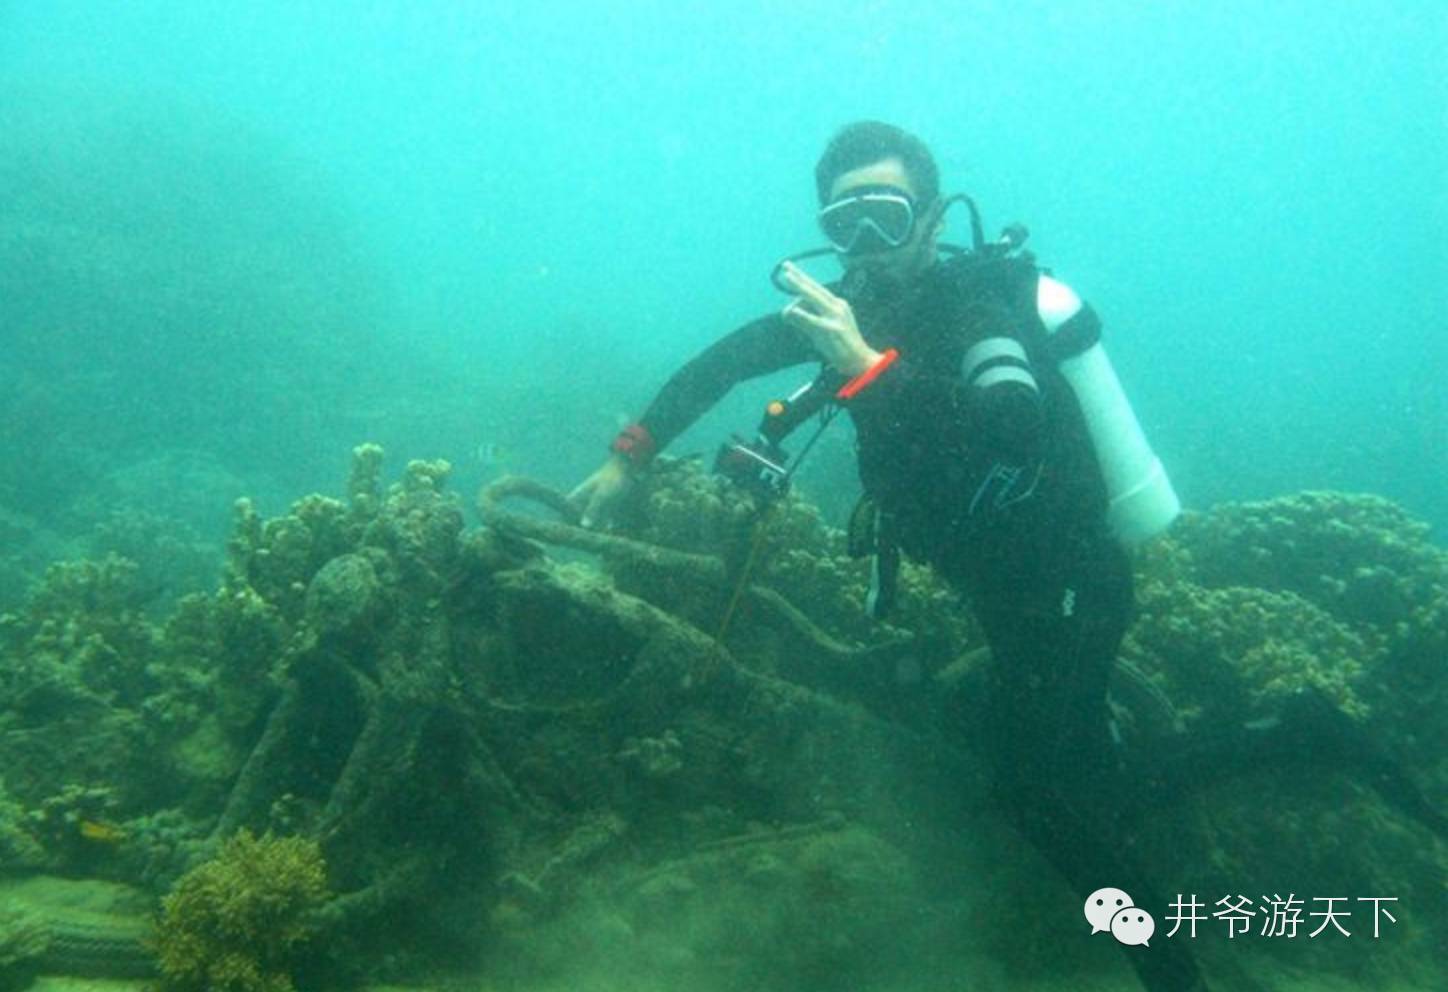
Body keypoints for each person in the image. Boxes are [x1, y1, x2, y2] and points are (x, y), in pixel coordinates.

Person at [569, 120, 1444, 990]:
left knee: (1042, 799)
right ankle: (1296, 731)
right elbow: (721, 364)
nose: (867, 243)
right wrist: (628, 454)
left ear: (934, 218)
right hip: (1000, 587)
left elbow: (1014, 425)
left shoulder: (977, 302)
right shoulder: (848, 318)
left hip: (1068, 580)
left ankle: (1176, 968)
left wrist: (870, 366)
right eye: (846, 224)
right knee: (1092, 779)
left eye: (886, 214)